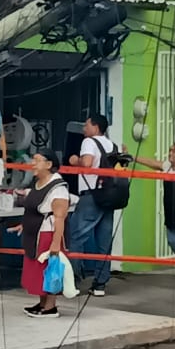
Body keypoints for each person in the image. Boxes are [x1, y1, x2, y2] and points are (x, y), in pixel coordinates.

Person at [15, 149, 71, 319]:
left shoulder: (58, 188)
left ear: (49, 164)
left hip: (48, 235)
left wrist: (55, 244)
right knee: (37, 271)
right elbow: (33, 211)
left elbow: (60, 217)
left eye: (37, 160)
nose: (33, 164)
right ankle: (42, 302)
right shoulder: (38, 183)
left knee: (49, 270)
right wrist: (24, 225)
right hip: (34, 235)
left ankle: (50, 307)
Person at [133, 142, 175, 279]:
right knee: (172, 240)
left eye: (174, 151)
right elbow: (152, 163)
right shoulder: (167, 168)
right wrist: (133, 157)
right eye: (170, 150)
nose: (170, 153)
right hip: (172, 211)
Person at [68, 115, 115, 297]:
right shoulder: (111, 144)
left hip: (91, 196)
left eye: (86, 124)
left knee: (76, 236)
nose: (83, 129)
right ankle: (100, 284)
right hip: (108, 196)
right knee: (104, 241)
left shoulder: (89, 142)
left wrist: (74, 161)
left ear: (95, 127)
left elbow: (86, 164)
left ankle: (73, 279)